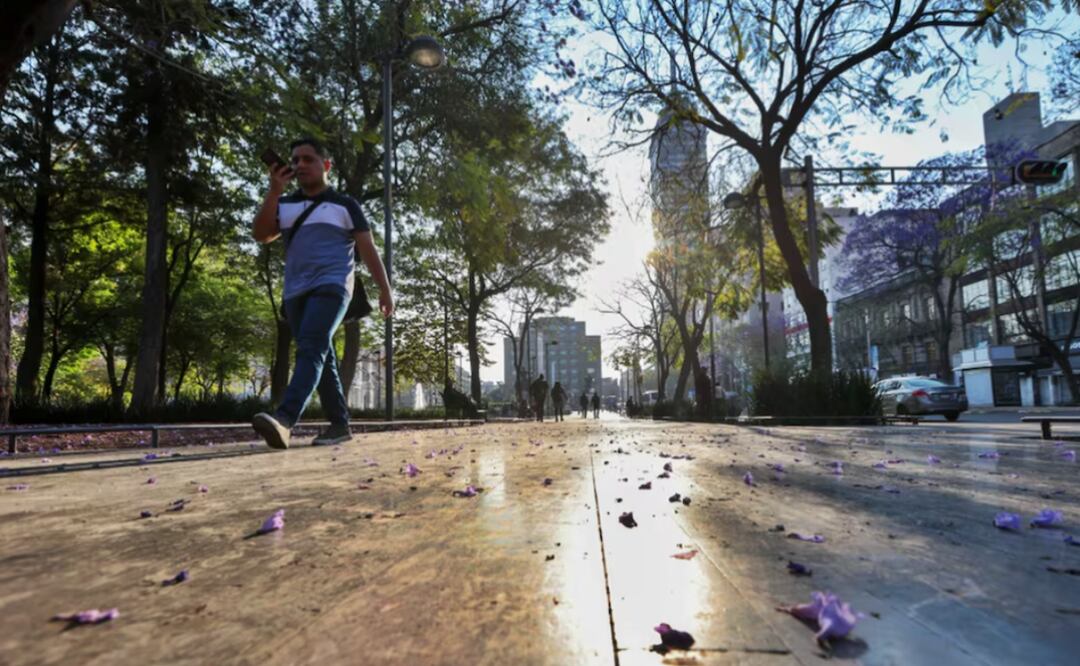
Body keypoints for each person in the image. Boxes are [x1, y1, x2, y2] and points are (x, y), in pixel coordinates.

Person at [251, 138, 392, 449]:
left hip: (333, 286)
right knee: (320, 353)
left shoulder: (346, 205)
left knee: (312, 348)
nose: (300, 165)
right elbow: (261, 234)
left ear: (326, 165)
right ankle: (340, 424)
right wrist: (274, 192)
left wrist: (385, 289)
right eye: (295, 160)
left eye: (308, 159)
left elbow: (368, 248)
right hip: (295, 292)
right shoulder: (285, 204)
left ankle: (285, 419)